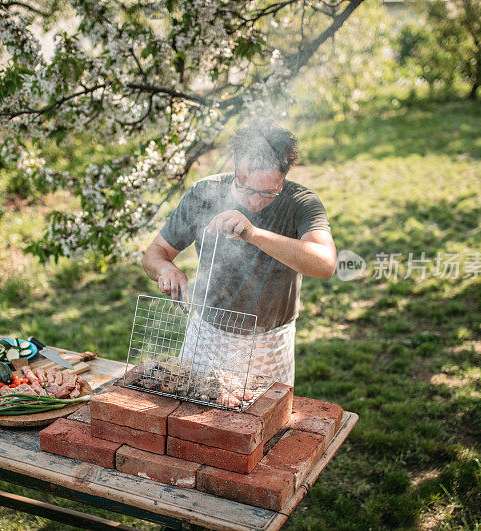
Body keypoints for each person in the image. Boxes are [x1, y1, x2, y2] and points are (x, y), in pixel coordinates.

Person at [141, 121, 336, 387]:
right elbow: (156, 252)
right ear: (235, 163)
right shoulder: (204, 193)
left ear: (284, 174)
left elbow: (325, 264)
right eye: (246, 188)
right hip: (209, 334)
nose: (255, 201)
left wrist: (254, 234)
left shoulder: (301, 203)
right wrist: (166, 269)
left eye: (269, 192)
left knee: (264, 422)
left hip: (271, 340)